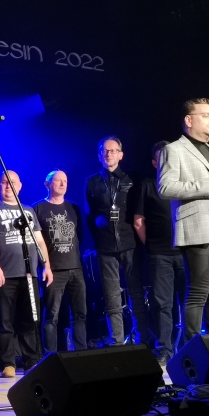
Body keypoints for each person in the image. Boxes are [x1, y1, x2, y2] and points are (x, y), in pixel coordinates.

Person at [158, 100, 209, 342]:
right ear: (189, 119)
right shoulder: (174, 149)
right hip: (197, 226)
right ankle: (192, 350)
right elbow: (165, 187)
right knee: (198, 292)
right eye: (206, 115)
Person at [0, 170, 53, 377]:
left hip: (29, 275)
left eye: (12, 182)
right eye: (4, 182)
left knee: (30, 319)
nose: (8, 186)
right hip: (5, 274)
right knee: (5, 321)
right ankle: (8, 363)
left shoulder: (28, 210)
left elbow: (40, 241)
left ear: (19, 186)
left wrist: (47, 266)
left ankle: (31, 361)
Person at [84, 135, 151, 346]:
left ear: (121, 155)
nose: (109, 154)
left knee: (136, 293)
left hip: (130, 243)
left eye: (113, 150)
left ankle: (142, 339)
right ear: (99, 155)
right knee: (111, 296)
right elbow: (89, 216)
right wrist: (98, 231)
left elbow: (141, 211)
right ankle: (117, 342)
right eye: (105, 151)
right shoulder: (92, 182)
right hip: (105, 247)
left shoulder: (132, 179)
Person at [134, 141, 186, 365]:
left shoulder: (184, 183)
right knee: (163, 303)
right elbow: (138, 221)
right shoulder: (147, 185)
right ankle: (165, 348)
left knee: (189, 302)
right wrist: (151, 245)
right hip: (159, 254)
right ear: (155, 162)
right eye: (161, 157)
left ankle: (189, 347)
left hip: (186, 252)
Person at [33, 170, 88, 352]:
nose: (63, 184)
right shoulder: (37, 209)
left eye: (65, 180)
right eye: (58, 180)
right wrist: (44, 266)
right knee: (51, 316)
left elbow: (79, 236)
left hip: (76, 268)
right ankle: (51, 356)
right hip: (53, 270)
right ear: (47, 184)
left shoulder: (74, 208)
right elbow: (35, 243)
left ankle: (81, 353)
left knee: (80, 314)